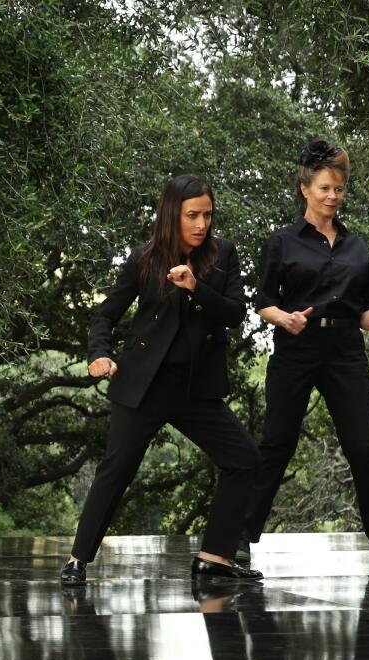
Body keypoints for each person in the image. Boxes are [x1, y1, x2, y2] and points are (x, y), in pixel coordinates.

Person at [61, 175, 263, 586]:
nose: (201, 223)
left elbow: (236, 313)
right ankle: (78, 559)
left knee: (243, 459)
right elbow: (104, 315)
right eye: (192, 215)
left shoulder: (224, 254)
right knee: (115, 471)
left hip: (195, 388)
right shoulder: (144, 258)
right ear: (172, 214)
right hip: (144, 385)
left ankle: (215, 557)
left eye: (207, 214)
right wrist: (99, 354)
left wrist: (196, 288)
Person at [238, 139, 369, 564]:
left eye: (340, 189)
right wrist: (284, 318)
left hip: (345, 349)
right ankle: (239, 537)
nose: (334, 197)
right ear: (305, 188)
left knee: (363, 444)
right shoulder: (282, 242)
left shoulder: (357, 247)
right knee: (277, 442)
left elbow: (364, 308)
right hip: (297, 347)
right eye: (326, 188)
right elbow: (261, 299)